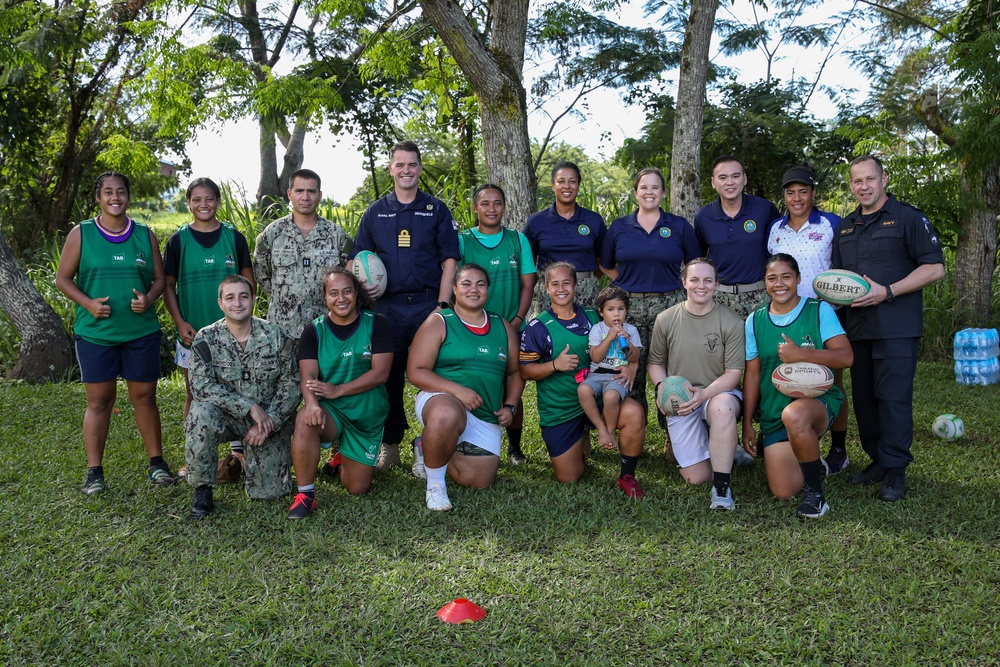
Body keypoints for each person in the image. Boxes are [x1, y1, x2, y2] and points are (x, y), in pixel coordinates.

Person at [832, 155, 945, 501]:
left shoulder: (908, 218)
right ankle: (878, 461)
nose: (863, 187)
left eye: (870, 179)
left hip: (895, 327)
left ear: (883, 179)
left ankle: (896, 469)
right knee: (865, 401)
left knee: (893, 399)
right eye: (857, 181)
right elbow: (838, 278)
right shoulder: (845, 227)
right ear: (851, 185)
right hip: (858, 328)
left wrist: (888, 291)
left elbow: (935, 268)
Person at [55, 172, 174, 495]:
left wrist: (148, 298)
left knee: (145, 397)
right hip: (96, 333)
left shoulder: (144, 235)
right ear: (98, 197)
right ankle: (94, 472)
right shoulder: (82, 233)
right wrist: (89, 304)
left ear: (128, 196)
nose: (115, 198)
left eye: (120, 192)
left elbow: (160, 280)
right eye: (108, 192)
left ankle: (157, 463)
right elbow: (63, 279)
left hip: (140, 331)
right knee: (99, 401)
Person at [351, 141, 460, 470]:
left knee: (436, 373)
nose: (406, 170)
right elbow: (357, 260)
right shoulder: (375, 212)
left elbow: (450, 261)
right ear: (391, 169)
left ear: (420, 167)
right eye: (400, 165)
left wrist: (442, 305)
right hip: (388, 307)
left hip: (429, 304)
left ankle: (432, 441)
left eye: (412, 164)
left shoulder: (436, 209)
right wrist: (363, 290)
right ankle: (391, 442)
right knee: (389, 376)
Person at [520, 262, 648, 496]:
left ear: (576, 286)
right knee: (568, 477)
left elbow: (627, 349)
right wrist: (554, 365)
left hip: (599, 396)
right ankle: (579, 436)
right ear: (546, 288)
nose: (561, 289)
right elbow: (525, 371)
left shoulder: (593, 317)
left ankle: (627, 475)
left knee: (634, 413)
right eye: (555, 284)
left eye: (566, 283)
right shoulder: (537, 327)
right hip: (562, 407)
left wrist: (632, 367)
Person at [741, 254, 853, 519]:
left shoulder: (818, 310)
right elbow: (753, 375)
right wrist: (746, 423)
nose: (779, 284)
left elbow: (846, 357)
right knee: (783, 490)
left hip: (817, 405)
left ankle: (816, 496)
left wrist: (802, 354)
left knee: (795, 415)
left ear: (798, 279)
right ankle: (813, 461)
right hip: (773, 412)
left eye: (786, 277)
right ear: (765, 283)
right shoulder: (754, 321)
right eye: (772, 278)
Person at [406, 264, 524, 511]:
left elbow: (514, 373)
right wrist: (457, 391)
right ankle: (435, 486)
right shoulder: (439, 322)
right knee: (447, 414)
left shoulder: (502, 326)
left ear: (487, 290)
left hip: (484, 411)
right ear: (454, 290)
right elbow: (416, 371)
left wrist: (511, 405)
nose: (474, 289)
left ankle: (427, 447)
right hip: (442, 400)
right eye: (466, 284)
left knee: (478, 480)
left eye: (480, 284)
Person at [185, 275, 301, 519]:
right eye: (230, 297)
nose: (237, 303)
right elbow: (201, 386)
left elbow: (292, 383)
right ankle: (202, 488)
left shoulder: (277, 337)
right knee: (200, 414)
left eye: (243, 296)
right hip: (225, 417)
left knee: (270, 493)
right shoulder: (206, 339)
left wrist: (271, 420)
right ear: (220, 303)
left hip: (266, 422)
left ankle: (249, 463)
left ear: (254, 300)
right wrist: (248, 406)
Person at [162, 177, 255, 481]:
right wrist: (180, 322)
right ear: (188, 202)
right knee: (194, 393)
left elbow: (248, 281)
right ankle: (194, 458)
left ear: (218, 201)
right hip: (193, 334)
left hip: (234, 334)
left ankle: (239, 454)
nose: (204, 205)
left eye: (210, 198)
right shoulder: (178, 241)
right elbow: (167, 286)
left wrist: (244, 320)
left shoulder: (233, 237)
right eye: (197, 199)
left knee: (239, 389)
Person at [287, 269, 393, 518]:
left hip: (366, 414)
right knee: (305, 418)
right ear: (325, 297)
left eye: (347, 291)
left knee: (357, 488)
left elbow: (380, 373)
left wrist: (339, 389)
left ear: (356, 293)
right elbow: (308, 377)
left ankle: (339, 462)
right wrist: (313, 405)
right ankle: (305, 495)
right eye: (333, 293)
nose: (341, 298)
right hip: (332, 412)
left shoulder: (376, 324)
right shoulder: (314, 331)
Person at [766, 165, 850, 474]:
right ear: (784, 196)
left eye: (803, 191)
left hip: (822, 313)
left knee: (831, 382)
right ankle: (783, 434)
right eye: (790, 192)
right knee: (784, 374)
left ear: (813, 194)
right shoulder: (774, 228)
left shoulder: (831, 224)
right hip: (784, 313)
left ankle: (838, 447)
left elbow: (842, 269)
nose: (797, 198)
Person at [646, 258, 747, 510]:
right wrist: (662, 388)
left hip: (718, 392)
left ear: (716, 284)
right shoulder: (666, 319)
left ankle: (722, 489)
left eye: (708, 280)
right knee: (696, 477)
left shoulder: (731, 321)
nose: (701, 285)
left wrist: (704, 395)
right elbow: (655, 363)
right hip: (682, 398)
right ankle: (727, 449)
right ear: (684, 283)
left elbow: (734, 373)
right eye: (694, 279)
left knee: (722, 409)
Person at [600, 167, 700, 414]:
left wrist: (680, 282)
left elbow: (695, 263)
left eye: (655, 187)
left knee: (669, 367)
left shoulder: (678, 226)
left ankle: (672, 431)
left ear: (663, 193)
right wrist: (623, 281)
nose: (649, 192)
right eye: (644, 187)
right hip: (629, 307)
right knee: (630, 366)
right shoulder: (620, 226)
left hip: (669, 305)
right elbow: (604, 263)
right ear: (635, 193)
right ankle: (635, 429)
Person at [458, 183, 537, 464]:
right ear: (475, 208)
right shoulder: (463, 240)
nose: (491, 209)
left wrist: (516, 320)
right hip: (472, 330)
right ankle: (469, 440)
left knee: (511, 385)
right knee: (474, 383)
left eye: (497, 203)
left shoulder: (518, 240)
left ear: (505, 207)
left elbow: (528, 284)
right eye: (485, 203)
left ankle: (514, 448)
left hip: (511, 327)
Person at [253, 168, 353, 343]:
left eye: (311, 191)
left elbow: (348, 275)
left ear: (319, 195)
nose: (305, 197)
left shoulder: (336, 235)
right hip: (282, 331)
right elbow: (262, 274)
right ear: (289, 194)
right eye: (299, 191)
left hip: (325, 329)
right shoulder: (272, 234)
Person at [694, 155, 781, 319]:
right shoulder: (703, 217)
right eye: (723, 177)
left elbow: (778, 250)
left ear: (745, 179)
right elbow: (699, 259)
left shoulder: (764, 209)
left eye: (735, 176)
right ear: (713, 182)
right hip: (719, 298)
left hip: (760, 297)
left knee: (761, 344)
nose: (730, 182)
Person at [523, 161, 607, 313]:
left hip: (586, 290)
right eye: (561, 181)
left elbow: (602, 258)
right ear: (553, 185)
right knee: (550, 335)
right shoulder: (537, 221)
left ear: (578, 186)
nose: (567, 186)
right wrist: (545, 283)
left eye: (572, 181)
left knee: (589, 335)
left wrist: (585, 280)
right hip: (551, 292)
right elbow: (527, 261)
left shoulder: (594, 220)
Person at [577, 286, 641, 451]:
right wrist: (609, 337)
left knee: (611, 396)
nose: (617, 314)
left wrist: (629, 343)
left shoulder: (631, 330)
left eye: (621, 309)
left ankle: (611, 431)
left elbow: (635, 357)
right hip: (597, 373)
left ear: (626, 310)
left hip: (617, 375)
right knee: (583, 390)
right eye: (611, 309)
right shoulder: (597, 329)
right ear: (601, 311)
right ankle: (601, 428)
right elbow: (596, 357)